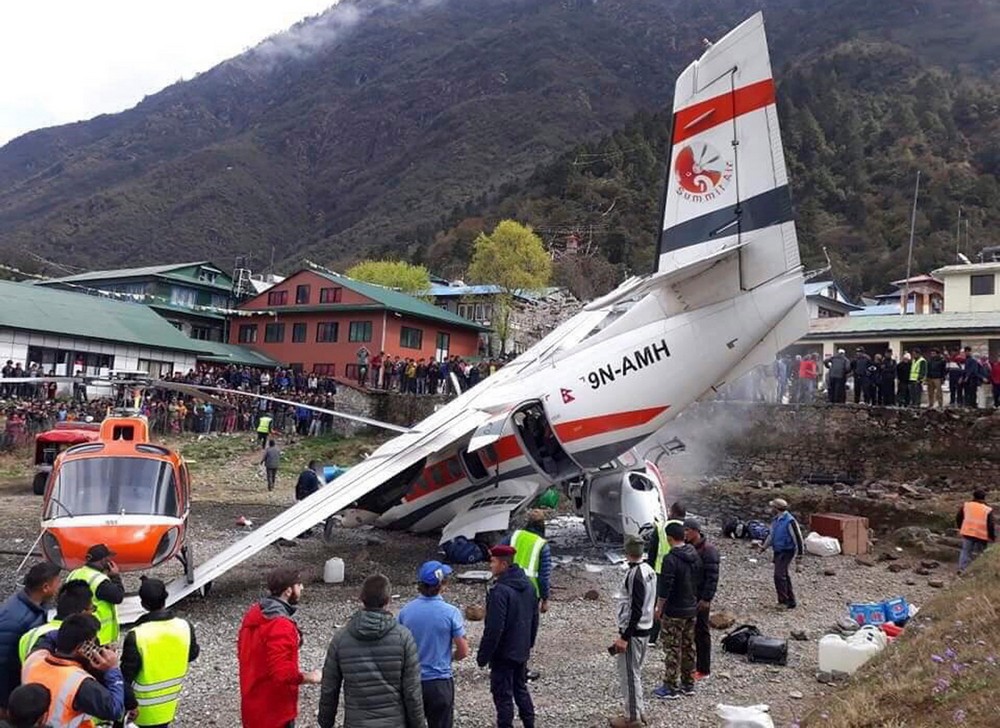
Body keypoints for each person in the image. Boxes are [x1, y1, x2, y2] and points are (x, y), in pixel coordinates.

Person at [318, 575, 425, 728]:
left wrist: (325, 722)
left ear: (361, 599)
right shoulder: (403, 637)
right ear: (388, 601)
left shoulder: (341, 638)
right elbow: (412, 691)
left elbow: (329, 689)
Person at [238, 568, 322, 728]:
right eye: (299, 584)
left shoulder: (254, 614)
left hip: (252, 705)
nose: (302, 588)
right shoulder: (281, 625)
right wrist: (311, 677)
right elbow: (283, 673)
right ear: (288, 590)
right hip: (274, 713)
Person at [121, 578, 200, 728]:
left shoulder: (137, 635)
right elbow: (192, 654)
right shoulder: (185, 626)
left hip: (140, 711)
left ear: (142, 603)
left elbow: (125, 677)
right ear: (166, 596)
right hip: (169, 705)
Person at [398, 563, 468, 728]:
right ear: (442, 585)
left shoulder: (405, 612)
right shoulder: (451, 612)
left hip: (412, 681)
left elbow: (397, 646)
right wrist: (450, 657)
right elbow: (464, 650)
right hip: (439, 682)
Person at [21, 614, 125, 726]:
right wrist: (112, 669)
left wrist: (68, 635)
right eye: (93, 642)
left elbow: (48, 637)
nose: (97, 646)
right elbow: (115, 710)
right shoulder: (79, 683)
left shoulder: (35, 658)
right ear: (81, 648)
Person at [477, 545, 538, 728]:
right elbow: (534, 618)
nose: (490, 565)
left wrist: (483, 656)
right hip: (520, 649)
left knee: (503, 696)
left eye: (493, 561)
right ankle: (529, 724)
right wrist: (529, 644)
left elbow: (494, 628)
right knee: (520, 689)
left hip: (503, 654)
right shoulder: (528, 586)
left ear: (503, 564)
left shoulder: (500, 592)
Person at [609, 536, 656, 728]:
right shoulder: (650, 571)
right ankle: (639, 711)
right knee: (635, 672)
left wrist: (624, 637)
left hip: (634, 632)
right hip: (646, 628)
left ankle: (632, 717)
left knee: (629, 675)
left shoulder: (634, 575)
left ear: (627, 552)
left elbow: (635, 609)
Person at [0, 563, 61, 711]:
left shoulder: (36, 606)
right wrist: (5, 703)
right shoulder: (15, 619)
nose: (60, 586)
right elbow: (3, 662)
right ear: (45, 587)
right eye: (57, 582)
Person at [652, 523, 701, 701]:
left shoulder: (670, 559)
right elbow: (699, 579)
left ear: (669, 538)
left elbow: (666, 586)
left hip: (674, 610)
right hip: (690, 607)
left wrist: (659, 607)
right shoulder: (694, 554)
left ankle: (670, 686)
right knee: (688, 646)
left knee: (672, 648)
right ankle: (688, 683)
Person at [18, 580, 93, 664]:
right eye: (93, 609)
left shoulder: (29, 634)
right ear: (83, 612)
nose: (93, 613)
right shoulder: (74, 637)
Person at [682, 519, 720, 680]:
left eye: (687, 530)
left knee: (701, 632)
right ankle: (689, 665)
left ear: (695, 531)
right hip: (689, 596)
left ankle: (704, 669)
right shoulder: (689, 548)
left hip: (700, 598)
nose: (684, 533)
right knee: (688, 631)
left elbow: (713, 577)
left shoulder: (708, 550)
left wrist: (706, 598)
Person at [67, 544, 125, 646]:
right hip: (98, 636)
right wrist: (115, 577)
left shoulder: (74, 573)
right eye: (108, 559)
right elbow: (118, 596)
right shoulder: (100, 581)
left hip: (76, 632)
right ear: (103, 561)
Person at [644, 502, 686, 645]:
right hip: (682, 572)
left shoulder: (661, 527)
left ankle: (653, 637)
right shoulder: (688, 528)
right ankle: (677, 635)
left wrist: (648, 570)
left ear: (672, 512)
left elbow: (652, 552)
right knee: (678, 602)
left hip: (660, 571)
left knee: (657, 604)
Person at [759, 499, 804, 609]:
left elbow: (798, 539)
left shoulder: (790, 521)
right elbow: (772, 535)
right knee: (784, 575)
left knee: (779, 576)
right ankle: (791, 601)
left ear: (776, 508)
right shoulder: (776, 520)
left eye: (772, 507)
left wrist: (799, 560)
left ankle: (783, 601)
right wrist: (764, 547)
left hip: (787, 551)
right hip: (778, 550)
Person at [956, 489, 995, 574]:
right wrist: (992, 537)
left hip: (968, 532)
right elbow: (990, 525)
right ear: (984, 498)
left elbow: (959, 517)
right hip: (981, 535)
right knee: (980, 554)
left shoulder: (966, 505)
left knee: (966, 551)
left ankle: (962, 569)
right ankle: (978, 571)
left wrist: (961, 528)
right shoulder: (987, 509)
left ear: (973, 496)